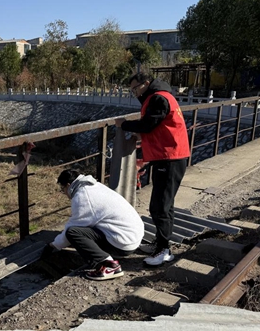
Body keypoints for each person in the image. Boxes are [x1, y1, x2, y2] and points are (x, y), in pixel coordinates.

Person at [116, 73, 190, 266]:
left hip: (170, 157)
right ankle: (160, 243)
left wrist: (124, 124)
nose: (134, 93)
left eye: (135, 88)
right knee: (165, 204)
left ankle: (164, 250)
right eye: (131, 90)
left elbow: (148, 125)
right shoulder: (161, 95)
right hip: (168, 156)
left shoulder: (158, 98)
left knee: (159, 206)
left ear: (146, 83)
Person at [40, 170, 144, 281]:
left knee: (73, 233)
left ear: (68, 185)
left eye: (63, 189)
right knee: (83, 228)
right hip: (132, 235)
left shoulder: (83, 197)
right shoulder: (95, 186)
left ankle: (109, 266)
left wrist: (54, 246)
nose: (64, 193)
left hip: (123, 242)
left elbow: (71, 228)